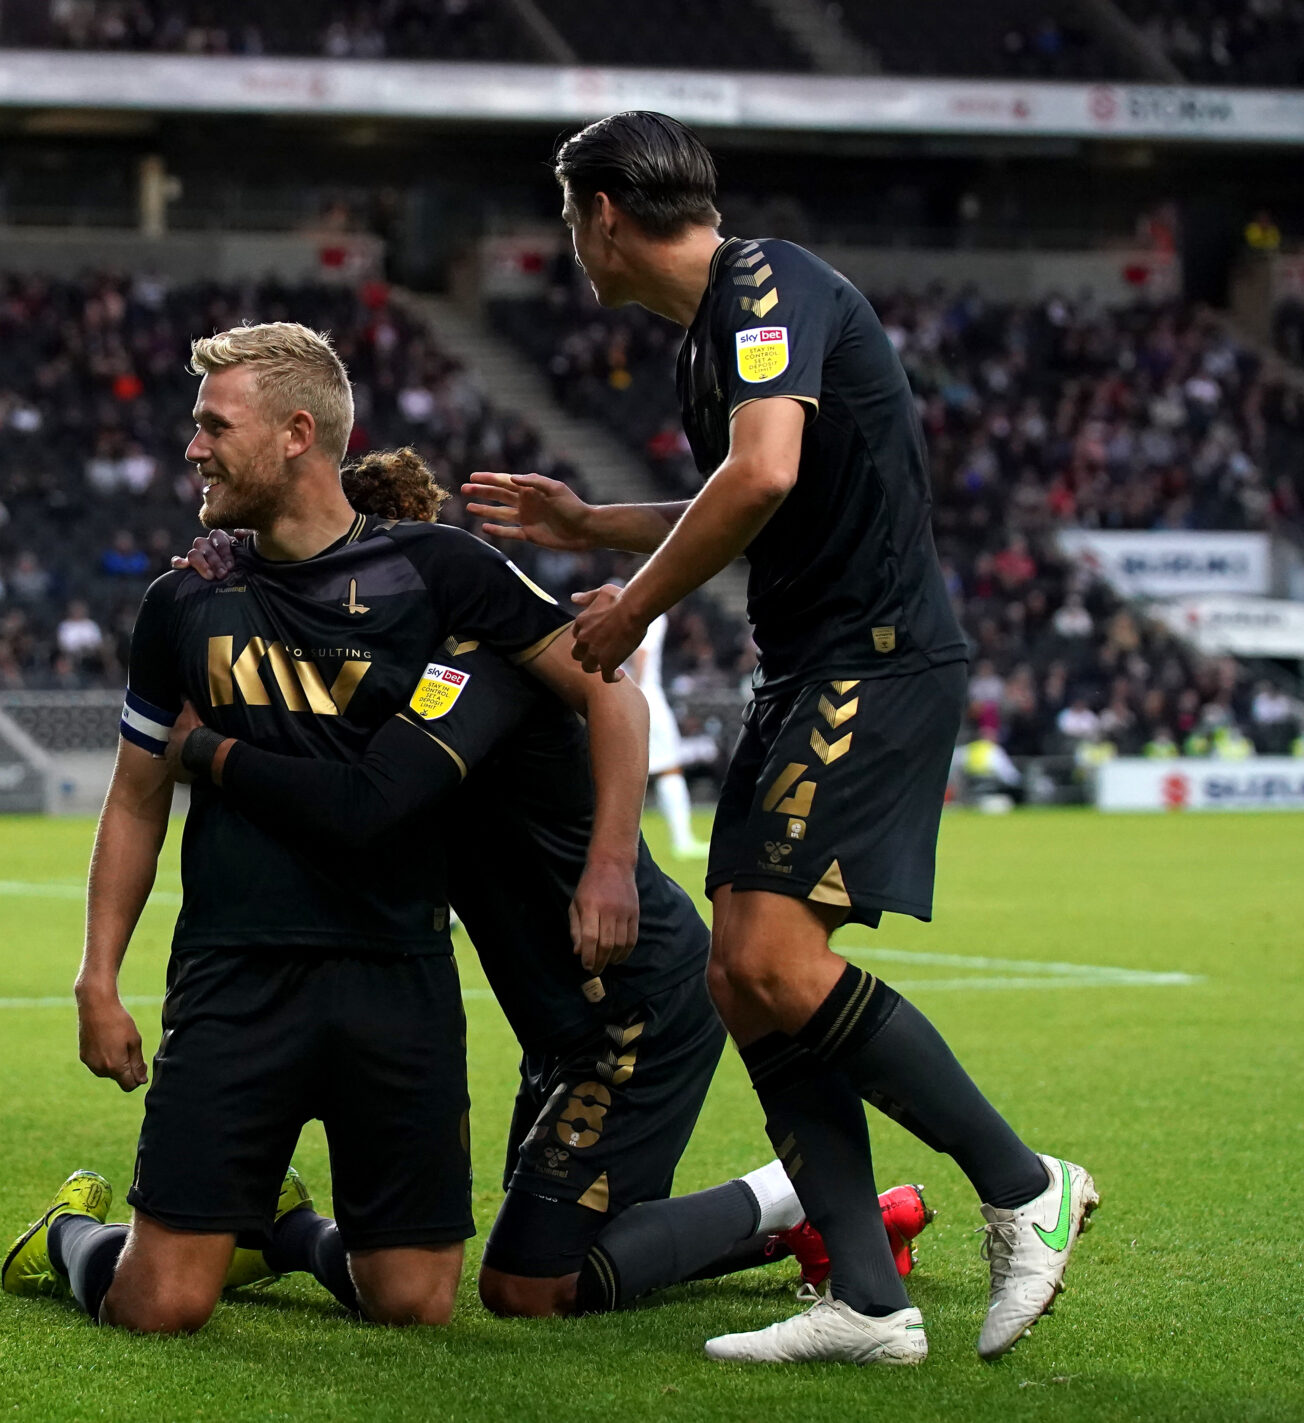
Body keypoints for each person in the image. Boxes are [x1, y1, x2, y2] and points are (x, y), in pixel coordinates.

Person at [462, 111, 1095, 1365]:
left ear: (601, 214)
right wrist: (593, 525)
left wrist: (632, 606)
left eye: (567, 219)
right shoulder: (710, 338)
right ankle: (865, 1298)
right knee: (739, 976)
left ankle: (1025, 1185)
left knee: (773, 961)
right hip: (804, 667)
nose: (569, 246)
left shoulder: (766, 279)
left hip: (874, 661)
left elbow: (758, 477)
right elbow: (753, 488)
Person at [167, 450, 931, 1320]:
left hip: (635, 1011)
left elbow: (378, 798)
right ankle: (813, 1223)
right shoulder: (360, 687)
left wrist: (205, 751)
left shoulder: (475, 662)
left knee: (528, 1282)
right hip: (562, 1023)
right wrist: (229, 565)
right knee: (563, 1236)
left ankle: (786, 1199)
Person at [0, 322, 646, 1334]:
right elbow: (134, 798)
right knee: (160, 1304)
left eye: (215, 426)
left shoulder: (438, 571)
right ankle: (69, 1235)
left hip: (398, 968)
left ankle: (285, 1230)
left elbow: (607, 687)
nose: (193, 448)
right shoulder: (185, 597)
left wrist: (610, 862)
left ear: (296, 433)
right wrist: (97, 975)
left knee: (412, 1301)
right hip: (235, 971)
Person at [625, 610, 705, 858]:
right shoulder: (651, 611)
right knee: (670, 768)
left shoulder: (617, 604)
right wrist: (633, 695)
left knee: (619, 770)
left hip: (616, 694)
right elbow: (642, 654)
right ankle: (682, 841)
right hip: (645, 696)